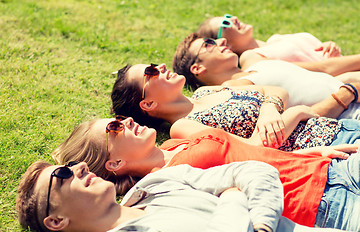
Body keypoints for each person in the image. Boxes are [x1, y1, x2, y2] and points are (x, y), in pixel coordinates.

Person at [52, 116, 360, 231]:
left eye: (119, 118)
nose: (127, 120)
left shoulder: (176, 143)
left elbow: (249, 153)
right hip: (320, 204)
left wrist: (302, 155)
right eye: (114, 128)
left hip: (328, 168)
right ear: (115, 164)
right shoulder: (161, 186)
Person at [17, 159, 360, 232]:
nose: (78, 168)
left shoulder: (157, 183)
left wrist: (263, 224)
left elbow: (254, 171)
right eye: (62, 175)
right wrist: (233, 200)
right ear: (56, 220)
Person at [111, 62, 360, 150]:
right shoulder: (183, 127)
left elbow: (273, 90)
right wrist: (294, 113)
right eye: (150, 72)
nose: (161, 68)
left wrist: (269, 109)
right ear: (148, 103)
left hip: (341, 127)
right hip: (328, 146)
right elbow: (251, 148)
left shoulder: (205, 91)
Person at [172, 33, 360, 120]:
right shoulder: (231, 91)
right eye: (208, 44)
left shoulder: (259, 65)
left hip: (354, 96)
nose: (221, 40)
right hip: (348, 115)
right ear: (198, 68)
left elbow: (321, 77)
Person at [196, 14, 360, 79]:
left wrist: (328, 46)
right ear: (222, 41)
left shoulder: (276, 39)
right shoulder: (253, 59)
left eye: (229, 16)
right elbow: (321, 69)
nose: (234, 19)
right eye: (226, 23)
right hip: (349, 80)